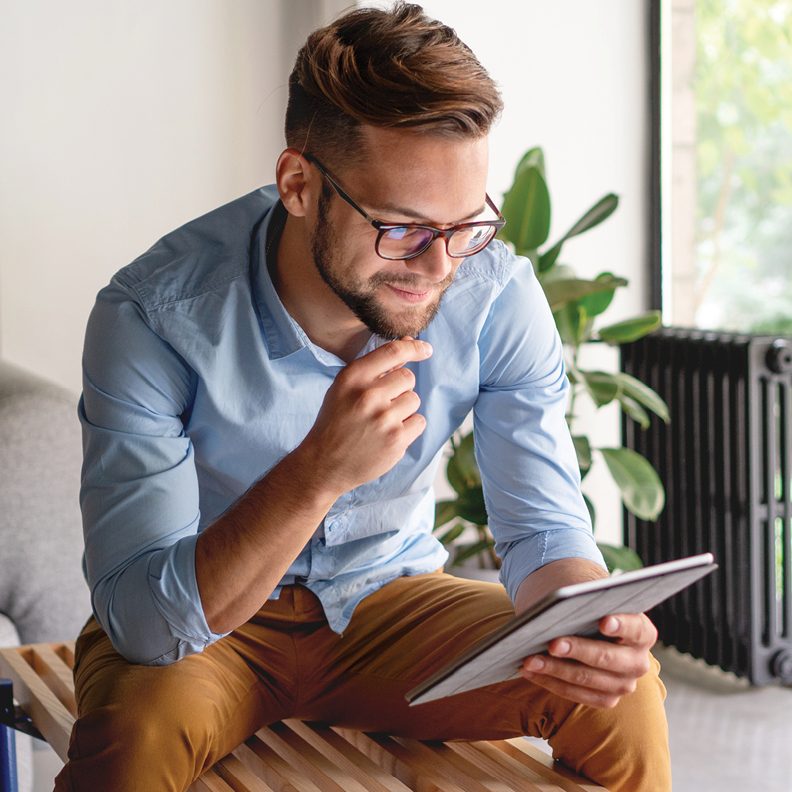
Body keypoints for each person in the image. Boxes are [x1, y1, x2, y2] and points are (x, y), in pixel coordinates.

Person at [55, 4, 670, 791]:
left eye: (465, 225)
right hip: (208, 627)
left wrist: (592, 624)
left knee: (622, 697)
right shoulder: (152, 316)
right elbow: (143, 623)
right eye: (402, 227)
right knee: (132, 742)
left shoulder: (495, 296)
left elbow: (543, 530)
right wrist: (317, 472)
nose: (439, 263)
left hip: (391, 604)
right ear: (299, 184)